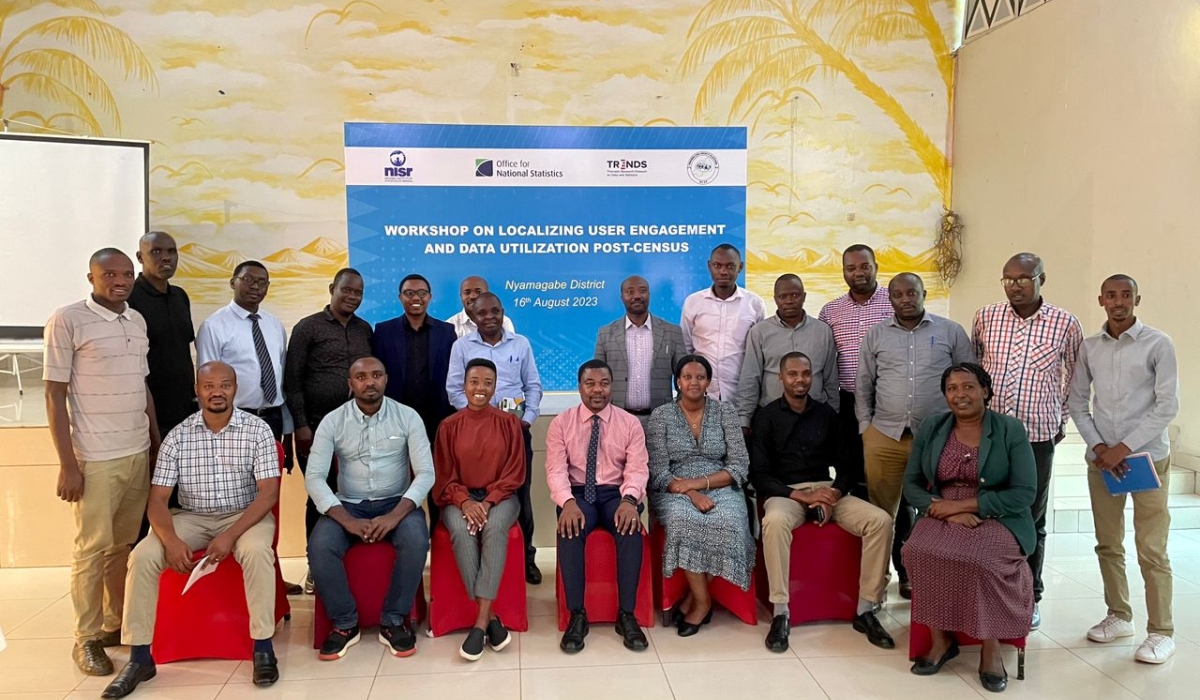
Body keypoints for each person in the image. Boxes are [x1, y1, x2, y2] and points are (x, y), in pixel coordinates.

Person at [101, 362, 282, 697]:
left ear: (235, 388)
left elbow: (268, 493)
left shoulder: (257, 430)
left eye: (225, 385)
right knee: (142, 556)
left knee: (257, 551)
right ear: (197, 390)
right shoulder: (178, 436)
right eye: (209, 386)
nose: (217, 392)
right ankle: (140, 658)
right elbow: (158, 500)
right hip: (191, 516)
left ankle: (262, 648)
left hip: (244, 514)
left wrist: (230, 535)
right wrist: (169, 540)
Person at [43, 248, 160, 676]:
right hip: (94, 457)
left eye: (126, 273)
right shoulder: (68, 319)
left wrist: (155, 443)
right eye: (109, 274)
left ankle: (113, 625)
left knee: (121, 546)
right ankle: (86, 638)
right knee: (91, 549)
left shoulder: (136, 320)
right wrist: (68, 464)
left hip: (135, 452)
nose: (120, 281)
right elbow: (54, 393)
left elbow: (141, 386)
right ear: (90, 277)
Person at [902, 363, 1036, 694]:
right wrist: (945, 511)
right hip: (943, 510)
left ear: (985, 391)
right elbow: (911, 484)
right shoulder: (933, 427)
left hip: (998, 515)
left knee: (980, 559)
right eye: (952, 388)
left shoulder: (1009, 429)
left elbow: (1024, 493)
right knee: (916, 550)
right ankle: (940, 641)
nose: (960, 394)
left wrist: (965, 506)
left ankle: (991, 648)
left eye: (968, 387)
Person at [1068, 275, 1180, 664]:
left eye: (1126, 295)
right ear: (1101, 300)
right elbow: (1077, 401)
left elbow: (1167, 405)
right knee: (1108, 543)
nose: (1119, 301)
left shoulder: (1158, 343)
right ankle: (1119, 615)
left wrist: (1123, 448)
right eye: (1111, 295)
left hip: (1147, 459)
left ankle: (1161, 632)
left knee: (1152, 549)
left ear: (1137, 299)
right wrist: (1100, 447)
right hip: (1103, 462)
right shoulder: (1089, 347)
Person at [751, 352, 894, 653]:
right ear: (781, 377)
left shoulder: (827, 415)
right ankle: (781, 612)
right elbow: (760, 475)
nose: (800, 379)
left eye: (805, 374)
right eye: (793, 374)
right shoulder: (766, 417)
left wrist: (833, 495)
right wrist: (803, 497)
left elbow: (848, 467)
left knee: (880, 520)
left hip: (826, 489)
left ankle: (865, 609)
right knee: (774, 522)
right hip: (786, 493)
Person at [972, 253, 1083, 628]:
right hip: (989, 434)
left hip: (1036, 436)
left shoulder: (1065, 323)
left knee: (1030, 517)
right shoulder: (986, 317)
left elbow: (1076, 377)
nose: (1015, 286)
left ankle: (1029, 595)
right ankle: (986, 588)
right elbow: (975, 370)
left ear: (1041, 279)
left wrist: (1059, 418)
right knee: (985, 511)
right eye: (1008, 279)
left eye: (1023, 279)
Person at [305, 357, 433, 661]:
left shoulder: (408, 417)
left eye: (376, 375)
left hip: (397, 502)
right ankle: (345, 623)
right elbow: (314, 477)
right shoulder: (333, 421)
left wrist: (394, 516)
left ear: (386, 379)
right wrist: (346, 520)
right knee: (319, 546)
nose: (369, 382)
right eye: (361, 377)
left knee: (416, 539)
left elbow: (426, 473)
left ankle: (393, 620)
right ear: (350, 384)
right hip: (348, 504)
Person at [856, 273, 974, 594]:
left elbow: (969, 380)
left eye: (912, 292)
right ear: (890, 298)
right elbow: (864, 384)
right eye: (898, 294)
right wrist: (866, 428)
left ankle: (922, 577)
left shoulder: (950, 331)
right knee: (881, 515)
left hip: (937, 438)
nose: (905, 299)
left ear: (923, 293)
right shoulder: (876, 334)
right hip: (885, 436)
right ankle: (876, 585)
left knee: (934, 509)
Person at [646, 354, 754, 636]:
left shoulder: (725, 412)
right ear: (678, 382)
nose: (693, 382)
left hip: (721, 485)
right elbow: (658, 470)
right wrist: (692, 493)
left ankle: (693, 600)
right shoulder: (661, 416)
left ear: (708, 382)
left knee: (730, 521)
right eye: (687, 377)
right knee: (682, 521)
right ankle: (703, 602)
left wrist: (700, 483)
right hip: (674, 488)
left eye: (700, 377)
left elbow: (739, 465)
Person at [548, 360, 651, 654]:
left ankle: (627, 614)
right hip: (577, 494)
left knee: (630, 528)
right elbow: (556, 470)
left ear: (611, 386)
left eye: (604, 384)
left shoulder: (629, 423)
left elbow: (637, 468)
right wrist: (567, 503)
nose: (597, 390)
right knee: (570, 529)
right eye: (590, 383)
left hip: (615, 493)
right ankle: (577, 615)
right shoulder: (561, 423)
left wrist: (630, 500)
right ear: (579, 387)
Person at [818, 244, 904, 591]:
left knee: (894, 490)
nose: (858, 273)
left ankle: (903, 569)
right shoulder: (830, 311)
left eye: (864, 266)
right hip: (847, 404)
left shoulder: (893, 302)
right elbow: (827, 364)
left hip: (888, 406)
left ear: (875, 267)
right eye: (851, 267)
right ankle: (857, 569)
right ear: (843, 271)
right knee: (853, 482)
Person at [446, 292, 544, 584]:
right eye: (482, 313)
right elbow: (454, 390)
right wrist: (480, 418)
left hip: (515, 434)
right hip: (475, 435)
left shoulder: (520, 343)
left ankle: (526, 559)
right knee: (476, 489)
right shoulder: (461, 346)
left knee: (520, 496)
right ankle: (476, 556)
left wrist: (526, 421)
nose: (489, 317)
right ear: (472, 316)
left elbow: (533, 386)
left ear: (503, 312)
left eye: (495, 311)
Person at [285, 268, 373, 591]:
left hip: (357, 430)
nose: (352, 297)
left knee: (353, 493)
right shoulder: (307, 328)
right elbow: (292, 381)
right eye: (346, 290)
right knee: (320, 498)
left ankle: (349, 562)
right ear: (332, 288)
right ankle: (316, 566)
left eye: (358, 292)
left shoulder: (365, 330)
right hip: (315, 429)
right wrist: (301, 425)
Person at [433, 358, 525, 661]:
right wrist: (466, 502)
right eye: (474, 381)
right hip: (458, 498)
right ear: (464, 385)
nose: (480, 388)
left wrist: (487, 502)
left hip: (501, 497)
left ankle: (480, 622)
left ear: (495, 387)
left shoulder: (509, 423)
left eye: (488, 382)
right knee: (461, 531)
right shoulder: (448, 426)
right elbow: (444, 477)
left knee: (495, 528)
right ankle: (491, 619)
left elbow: (514, 474)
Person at [373, 273, 458, 529]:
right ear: (400, 297)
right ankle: (405, 536)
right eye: (409, 293)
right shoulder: (384, 331)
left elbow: (454, 376)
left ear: (430, 297)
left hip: (437, 420)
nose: (416, 298)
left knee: (436, 481)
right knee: (399, 481)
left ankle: (437, 536)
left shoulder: (446, 332)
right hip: (395, 420)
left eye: (421, 293)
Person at [195, 261, 288, 440]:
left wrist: (287, 424)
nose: (255, 286)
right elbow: (206, 382)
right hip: (232, 419)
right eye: (248, 279)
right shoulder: (213, 326)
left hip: (272, 418)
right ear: (233, 283)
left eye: (262, 282)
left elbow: (281, 377)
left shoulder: (274, 324)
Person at [736, 274, 839, 433]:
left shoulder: (823, 331)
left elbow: (831, 379)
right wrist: (744, 421)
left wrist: (834, 415)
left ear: (804, 296)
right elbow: (750, 378)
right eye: (783, 296)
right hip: (772, 418)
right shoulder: (759, 332)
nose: (789, 301)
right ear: (775, 299)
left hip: (815, 417)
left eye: (795, 295)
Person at [127, 231, 195, 436]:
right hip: (147, 414)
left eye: (171, 251)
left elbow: (182, 351)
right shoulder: (129, 300)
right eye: (156, 251)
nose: (166, 257)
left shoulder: (180, 296)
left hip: (185, 411)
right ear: (140, 257)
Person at [593, 275, 687, 422]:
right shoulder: (605, 333)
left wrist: (678, 411)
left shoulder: (672, 332)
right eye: (630, 291)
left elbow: (684, 377)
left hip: (661, 420)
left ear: (649, 294)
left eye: (642, 291)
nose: (637, 296)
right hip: (617, 419)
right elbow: (597, 378)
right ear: (622, 297)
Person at [680, 244, 766, 402]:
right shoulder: (693, 302)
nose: (723, 271)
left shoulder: (755, 304)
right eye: (717, 265)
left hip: (740, 394)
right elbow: (686, 347)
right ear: (709, 266)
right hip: (702, 394)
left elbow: (758, 353)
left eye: (730, 266)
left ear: (740, 267)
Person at [450, 275, 516, 339]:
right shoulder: (451, 325)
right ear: (461, 296)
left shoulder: (503, 322)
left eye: (478, 292)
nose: (472, 296)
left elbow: (510, 346)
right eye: (467, 293)